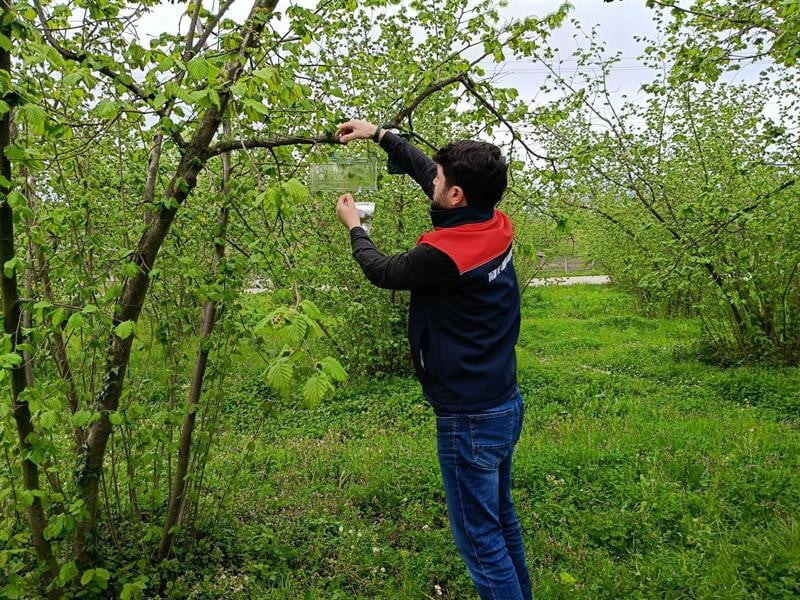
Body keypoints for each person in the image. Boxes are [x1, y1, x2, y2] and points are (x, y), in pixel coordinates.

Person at [334, 119, 531, 600]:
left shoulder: (445, 255)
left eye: (441, 180)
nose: (432, 181)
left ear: (457, 195)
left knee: (481, 541)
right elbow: (427, 171)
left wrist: (355, 227)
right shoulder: (493, 224)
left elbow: (383, 271)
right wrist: (379, 134)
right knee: (501, 519)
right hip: (502, 401)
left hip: (469, 417)